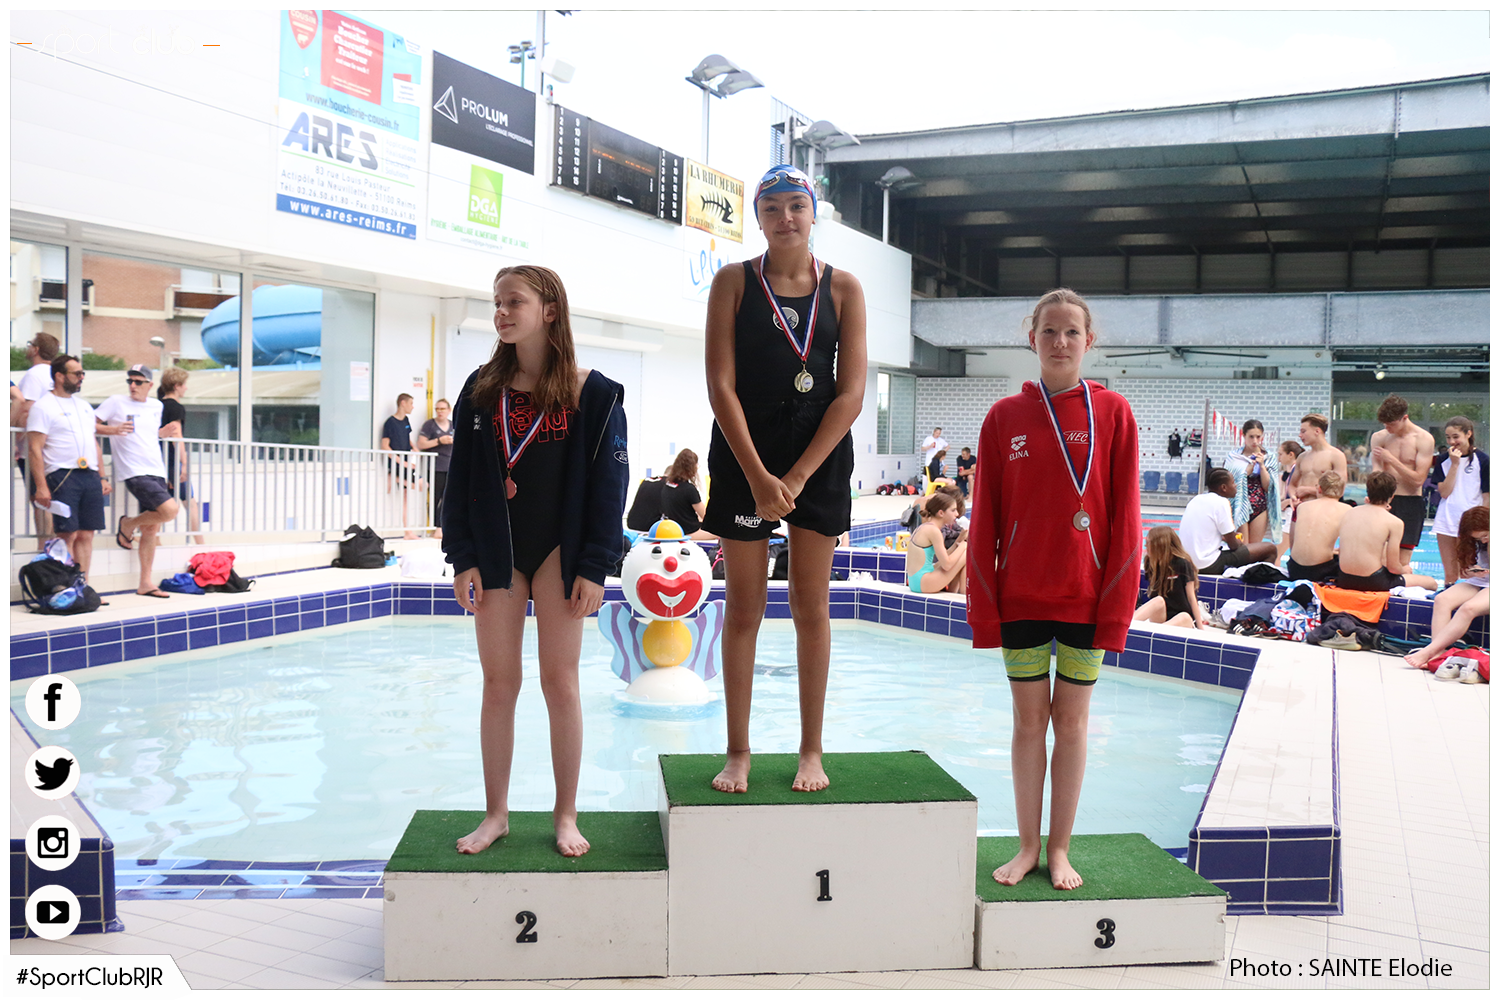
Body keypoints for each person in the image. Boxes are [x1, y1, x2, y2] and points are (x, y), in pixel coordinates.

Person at [443, 264, 628, 857]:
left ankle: (565, 815)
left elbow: (610, 488)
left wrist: (595, 566)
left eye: (513, 301)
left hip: (560, 552)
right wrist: (461, 556)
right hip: (497, 550)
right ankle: (495, 814)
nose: (501, 312)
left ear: (550, 310)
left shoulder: (594, 393)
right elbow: (459, 480)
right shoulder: (481, 390)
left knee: (560, 683)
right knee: (499, 684)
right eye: (496, 302)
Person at [967, 288, 1141, 891]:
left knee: (1071, 723)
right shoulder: (1003, 418)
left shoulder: (1113, 413)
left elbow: (1127, 520)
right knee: (1026, 723)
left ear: (1088, 341)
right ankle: (1026, 846)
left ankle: (1060, 848)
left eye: (1071, 332)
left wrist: (1116, 607)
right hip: (1019, 597)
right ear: (1032, 339)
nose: (1060, 342)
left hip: (1086, 599)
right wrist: (984, 608)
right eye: (1049, 331)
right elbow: (984, 520)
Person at [701, 164, 867, 795]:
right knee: (744, 607)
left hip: (817, 458)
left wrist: (795, 477)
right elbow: (721, 385)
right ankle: (738, 751)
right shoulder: (733, 282)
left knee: (810, 607)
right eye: (772, 208)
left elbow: (850, 393)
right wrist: (758, 476)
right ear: (758, 218)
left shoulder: (844, 288)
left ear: (813, 212)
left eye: (796, 205)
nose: (785, 217)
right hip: (745, 451)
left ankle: (811, 750)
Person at [26, 356, 116, 578]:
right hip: (62, 475)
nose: (81, 378)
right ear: (59, 376)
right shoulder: (43, 407)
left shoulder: (84, 406)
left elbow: (93, 442)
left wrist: (102, 476)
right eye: (77, 374)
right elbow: (35, 449)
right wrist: (41, 486)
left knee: (87, 534)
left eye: (82, 373)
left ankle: (82, 585)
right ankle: (66, 585)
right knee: (67, 534)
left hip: (90, 474)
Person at [96, 365, 180, 597]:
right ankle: (128, 524)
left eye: (138, 382)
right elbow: (88, 425)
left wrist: (162, 434)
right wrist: (113, 430)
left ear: (150, 385)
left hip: (156, 469)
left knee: (151, 528)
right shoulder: (116, 402)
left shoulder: (156, 406)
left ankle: (145, 583)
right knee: (170, 510)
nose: (133, 386)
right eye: (130, 381)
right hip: (133, 470)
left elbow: (148, 434)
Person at [1405, 506, 1489, 671]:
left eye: (1485, 536)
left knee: (1468, 608)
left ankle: (1429, 651)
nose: (1483, 541)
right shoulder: (1475, 541)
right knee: (1442, 599)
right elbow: (1463, 573)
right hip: (1482, 580)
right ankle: (1438, 654)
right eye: (1479, 538)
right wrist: (1473, 571)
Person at [1333, 472, 1440, 592]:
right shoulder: (1394, 522)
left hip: (1344, 579)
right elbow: (1393, 568)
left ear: (1368, 491)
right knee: (1432, 583)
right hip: (1372, 581)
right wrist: (1404, 570)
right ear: (1392, 496)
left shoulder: (1349, 513)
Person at [1368, 394, 1435, 573]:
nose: (1387, 428)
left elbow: (1418, 480)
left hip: (1410, 501)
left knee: (1402, 562)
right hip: (1384, 501)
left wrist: (1391, 460)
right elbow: (1376, 472)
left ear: (1404, 418)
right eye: (1385, 424)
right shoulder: (1379, 437)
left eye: (1391, 424)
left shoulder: (1424, 439)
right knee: (1379, 559)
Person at [1179, 468, 1278, 575]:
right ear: (1224, 488)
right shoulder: (1221, 502)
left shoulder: (1196, 499)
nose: (1236, 486)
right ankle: (1260, 581)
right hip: (1207, 565)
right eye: (1233, 482)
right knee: (1270, 549)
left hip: (1187, 564)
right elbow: (1233, 545)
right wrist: (1239, 541)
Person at [14, 332, 61, 541]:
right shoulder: (55, 374)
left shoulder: (34, 375)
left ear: (36, 350)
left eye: (30, 344)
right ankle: (51, 544)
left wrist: (15, 440)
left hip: (33, 448)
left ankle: (44, 545)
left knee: (39, 499)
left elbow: (26, 410)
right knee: (50, 499)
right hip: (53, 445)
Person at [1433, 416, 1489, 586]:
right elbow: (1444, 492)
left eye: (1456, 436)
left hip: (1470, 524)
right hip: (1446, 519)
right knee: (1450, 574)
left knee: (1467, 571)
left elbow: (1487, 496)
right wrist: (1455, 464)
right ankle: (1448, 595)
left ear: (1468, 434)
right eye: (1448, 437)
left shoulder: (1483, 460)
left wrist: (1484, 525)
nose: (1452, 442)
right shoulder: (1444, 460)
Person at [157, 367, 204, 545]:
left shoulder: (157, 405)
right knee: (190, 504)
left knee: (160, 505)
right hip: (171, 461)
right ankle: (200, 543)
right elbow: (177, 436)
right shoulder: (175, 407)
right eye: (184, 385)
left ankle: (153, 539)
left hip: (158, 460)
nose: (186, 388)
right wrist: (184, 463)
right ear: (176, 386)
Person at [1285, 472, 1350, 582]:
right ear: (1342, 491)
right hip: (1322, 571)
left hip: (1294, 569)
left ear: (1319, 489)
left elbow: (1292, 542)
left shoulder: (1301, 507)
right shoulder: (1347, 510)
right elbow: (1350, 547)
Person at [1133, 526, 1204, 629]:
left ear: (1160, 544)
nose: (1145, 545)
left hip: (1182, 620)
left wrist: (1200, 628)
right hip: (1162, 616)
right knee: (1158, 600)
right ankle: (1130, 626)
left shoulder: (1182, 563)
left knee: (1184, 616)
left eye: (1148, 542)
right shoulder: (1151, 563)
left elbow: (1191, 597)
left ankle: (1156, 631)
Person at [1224, 419, 1277, 544]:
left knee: (1255, 547)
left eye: (1258, 437)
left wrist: (1262, 466)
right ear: (1244, 436)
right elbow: (1227, 483)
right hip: (1239, 503)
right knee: (1242, 546)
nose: (1255, 441)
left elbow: (1269, 487)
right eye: (1251, 437)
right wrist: (1245, 473)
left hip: (1260, 505)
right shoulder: (1234, 457)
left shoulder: (1269, 457)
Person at [381, 393, 424, 539]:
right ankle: (396, 478)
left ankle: (407, 532)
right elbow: (385, 446)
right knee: (422, 484)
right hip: (398, 464)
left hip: (407, 462)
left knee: (406, 497)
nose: (413, 407)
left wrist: (415, 449)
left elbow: (407, 438)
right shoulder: (390, 423)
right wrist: (401, 461)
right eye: (411, 403)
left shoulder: (406, 420)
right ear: (403, 403)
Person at [906, 492, 967, 594]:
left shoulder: (925, 527)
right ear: (941, 513)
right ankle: (964, 595)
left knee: (960, 556)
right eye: (953, 510)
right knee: (967, 554)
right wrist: (964, 545)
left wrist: (959, 541)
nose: (957, 514)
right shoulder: (933, 531)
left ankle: (953, 593)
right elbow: (947, 565)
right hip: (923, 583)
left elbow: (945, 557)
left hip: (916, 582)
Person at [416, 398, 455, 539]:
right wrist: (439, 441)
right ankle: (436, 527)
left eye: (443, 409)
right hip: (435, 467)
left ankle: (445, 527)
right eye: (437, 409)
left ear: (449, 410)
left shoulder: (453, 425)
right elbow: (421, 444)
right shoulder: (429, 425)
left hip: (450, 466)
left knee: (448, 498)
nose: (440, 412)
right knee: (435, 498)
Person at [1287, 413, 1348, 502]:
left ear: (1317, 431)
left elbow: (1339, 490)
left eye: (1303, 431)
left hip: (1324, 507)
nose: (1300, 435)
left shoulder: (1336, 456)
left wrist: (1308, 490)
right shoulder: (1302, 457)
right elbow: (1292, 485)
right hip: (1302, 506)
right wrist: (1294, 498)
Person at [658, 448, 715, 540]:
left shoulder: (667, 486)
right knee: (721, 532)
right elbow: (706, 517)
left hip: (673, 530)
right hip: (689, 532)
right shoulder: (689, 489)